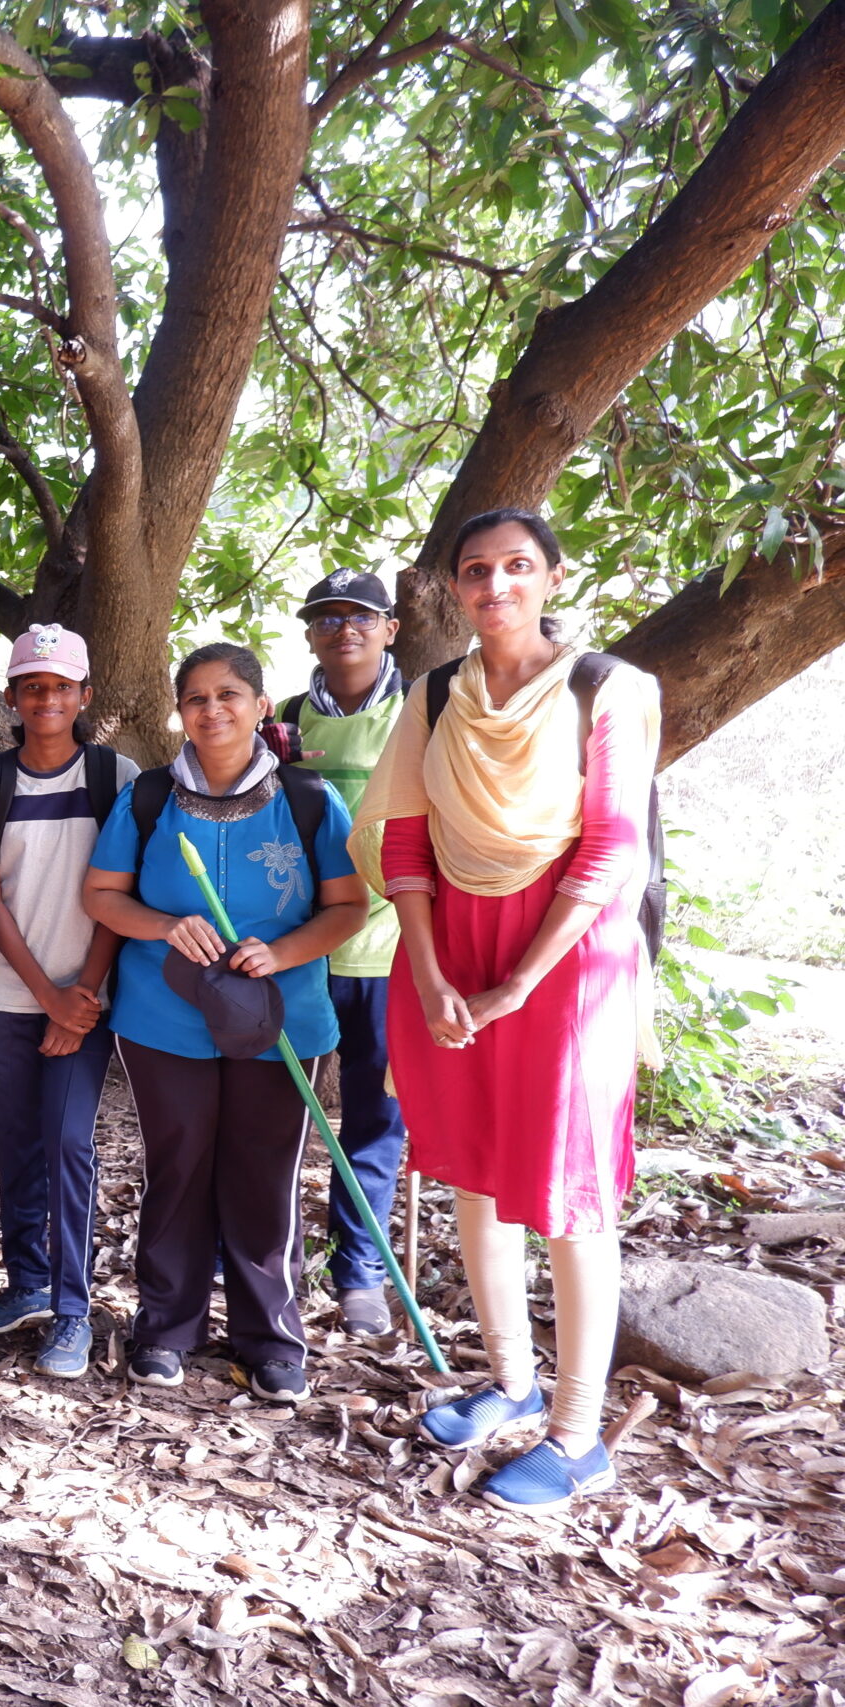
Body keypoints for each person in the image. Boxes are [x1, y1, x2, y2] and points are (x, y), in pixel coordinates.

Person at [352, 510, 659, 1514]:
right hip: (449, 942)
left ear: (552, 576)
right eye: (476, 571)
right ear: (452, 588)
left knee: (567, 1191)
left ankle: (576, 1435)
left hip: (567, 957)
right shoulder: (436, 693)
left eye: (516, 567)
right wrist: (433, 970)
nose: (495, 587)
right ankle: (509, 1379)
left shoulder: (607, 689)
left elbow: (611, 845)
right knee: (472, 1169)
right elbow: (402, 837)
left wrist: (520, 982)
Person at [83, 643, 365, 1405]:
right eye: (197, 697)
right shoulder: (147, 799)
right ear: (180, 711)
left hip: (280, 1022)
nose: (213, 709)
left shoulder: (305, 800)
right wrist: (162, 924)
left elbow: (347, 907)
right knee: (179, 1167)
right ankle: (166, 1326)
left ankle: (268, 1337)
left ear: (261, 706)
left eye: (230, 694)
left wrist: (281, 951)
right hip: (163, 1019)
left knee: (263, 1175)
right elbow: (102, 896)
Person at [0, 625, 137, 1381]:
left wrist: (81, 996)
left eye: (62, 686)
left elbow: (120, 891)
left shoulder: (115, 775)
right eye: (33, 686)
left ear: (84, 696)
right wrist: (44, 995)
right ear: (12, 697)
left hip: (88, 995)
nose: (48, 699)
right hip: (6, 992)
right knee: (16, 1140)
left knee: (68, 1142)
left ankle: (72, 1309)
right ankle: (26, 1280)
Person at [278, 570, 409, 1341]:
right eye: (326, 618)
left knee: (374, 1118)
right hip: (303, 943)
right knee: (278, 1109)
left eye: (359, 617)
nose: (342, 630)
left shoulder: (423, 712)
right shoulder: (288, 719)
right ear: (309, 636)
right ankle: (270, 1253)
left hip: (393, 944)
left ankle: (357, 1270)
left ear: (390, 627)